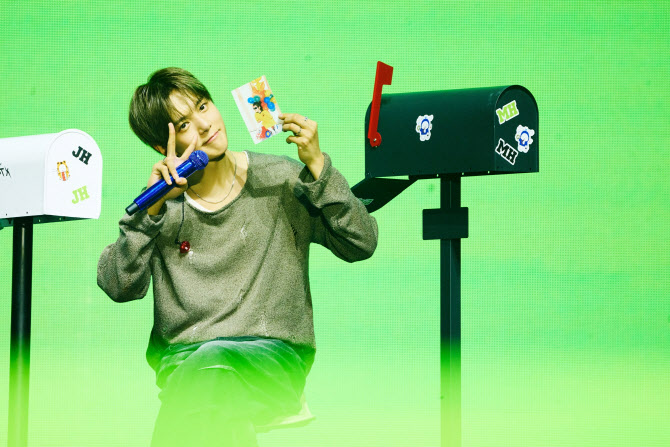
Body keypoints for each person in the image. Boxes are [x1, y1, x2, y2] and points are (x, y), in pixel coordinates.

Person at [97, 67, 378, 446]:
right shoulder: (160, 206)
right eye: (184, 124)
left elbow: (361, 242)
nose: (204, 125)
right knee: (211, 395)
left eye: (203, 106)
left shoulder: (280, 178)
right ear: (162, 146)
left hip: (273, 358)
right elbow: (119, 286)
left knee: (209, 375)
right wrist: (150, 212)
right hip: (185, 363)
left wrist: (318, 166)